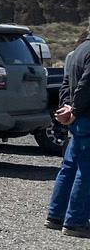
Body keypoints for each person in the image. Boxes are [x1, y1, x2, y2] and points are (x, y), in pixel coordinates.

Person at [47, 29, 90, 237]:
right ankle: (76, 221)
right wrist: (75, 109)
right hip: (86, 116)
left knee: (69, 168)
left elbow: (67, 83)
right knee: (86, 171)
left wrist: (67, 107)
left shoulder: (78, 51)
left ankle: (56, 215)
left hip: (77, 118)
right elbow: (86, 85)